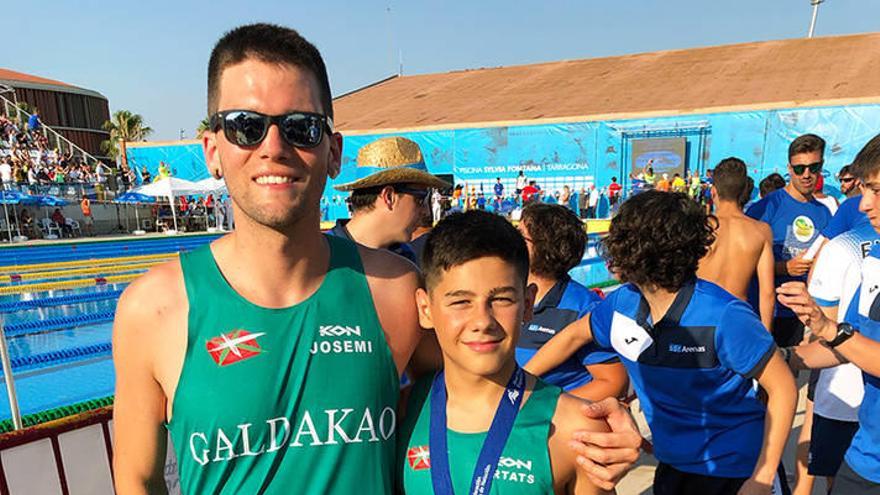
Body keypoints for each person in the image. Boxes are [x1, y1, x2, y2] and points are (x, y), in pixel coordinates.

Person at [112, 23, 640, 494]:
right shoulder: (153, 310)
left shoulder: (391, 289)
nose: (273, 146)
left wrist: (590, 422)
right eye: (246, 125)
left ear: (333, 151)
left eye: (300, 127)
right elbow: (137, 479)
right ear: (212, 149)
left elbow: (486, 375)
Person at [526, 191, 797, 495]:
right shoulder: (621, 305)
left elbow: (783, 387)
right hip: (672, 465)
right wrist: (519, 384)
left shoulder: (724, 316)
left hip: (737, 467)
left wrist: (763, 474)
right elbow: (574, 335)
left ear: (628, 247)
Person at [401, 210, 613, 495]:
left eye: (501, 299)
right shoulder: (399, 413)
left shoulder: (576, 430)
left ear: (527, 304)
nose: (482, 321)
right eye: (461, 301)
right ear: (426, 310)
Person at [778, 132, 880, 494]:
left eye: (877, 191)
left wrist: (828, 327)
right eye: (864, 189)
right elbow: (850, 343)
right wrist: (781, 357)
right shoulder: (875, 258)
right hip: (867, 457)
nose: (864, 204)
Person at [516, 203, 627, 401]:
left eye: (520, 235)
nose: (511, 241)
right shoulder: (507, 296)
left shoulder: (583, 308)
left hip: (551, 425)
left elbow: (613, 383)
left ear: (544, 246)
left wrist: (542, 407)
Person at [746, 134, 833, 348]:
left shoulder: (824, 213)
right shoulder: (766, 207)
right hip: (763, 311)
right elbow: (742, 261)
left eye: (813, 168)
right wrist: (785, 267)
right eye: (799, 168)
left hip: (800, 314)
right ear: (789, 168)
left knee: (789, 376)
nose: (806, 175)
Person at [329, 136, 448, 265]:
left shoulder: (407, 259)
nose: (426, 211)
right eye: (420, 199)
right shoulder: (323, 257)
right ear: (389, 197)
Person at [697, 157, 775, 330]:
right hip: (737, 319)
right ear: (743, 191)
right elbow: (767, 294)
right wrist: (766, 337)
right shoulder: (761, 230)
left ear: (713, 191)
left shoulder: (699, 226)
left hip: (698, 320)